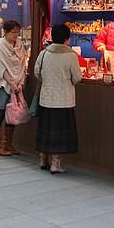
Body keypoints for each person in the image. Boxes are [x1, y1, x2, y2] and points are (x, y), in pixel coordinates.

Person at [34, 23, 82, 174]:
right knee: (59, 132)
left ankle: (42, 159)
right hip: (63, 100)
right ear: (67, 39)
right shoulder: (70, 55)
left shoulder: (44, 54)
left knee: (45, 129)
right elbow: (77, 78)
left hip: (46, 99)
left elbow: (37, 73)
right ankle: (55, 163)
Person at [0, 20, 26, 156]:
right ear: (6, 32)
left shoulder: (20, 45)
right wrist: (12, 83)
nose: (16, 34)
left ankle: (8, 144)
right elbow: (1, 68)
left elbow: (23, 64)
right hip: (2, 84)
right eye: (13, 32)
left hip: (17, 84)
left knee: (13, 115)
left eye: (18, 31)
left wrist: (20, 83)